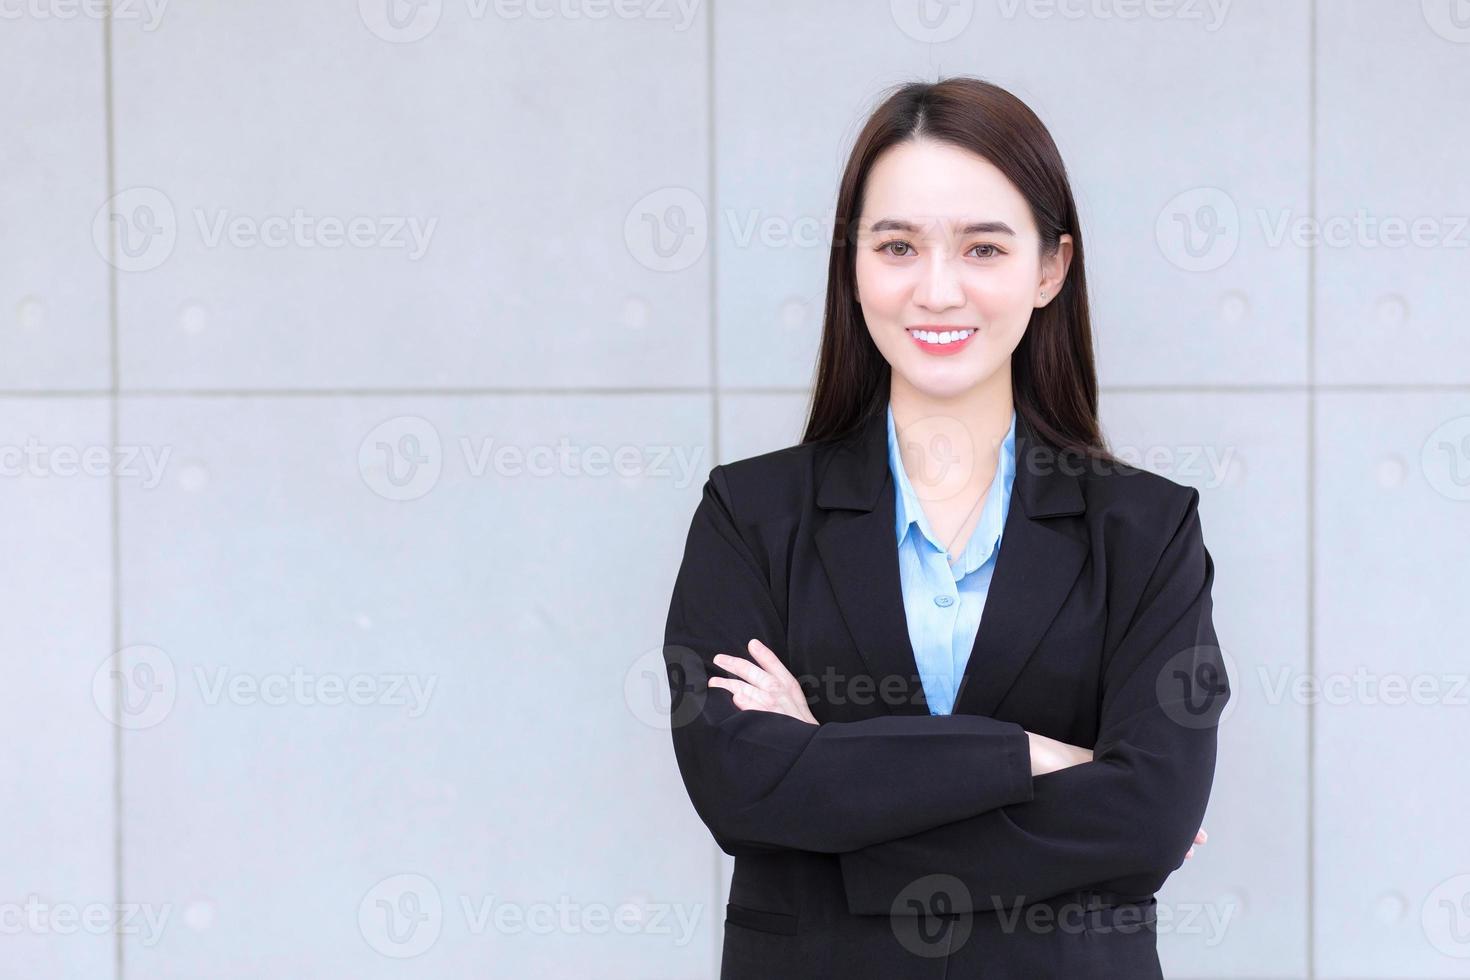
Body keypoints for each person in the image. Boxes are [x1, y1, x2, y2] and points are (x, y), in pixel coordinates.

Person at [662, 75, 1229, 979]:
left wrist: (832, 782)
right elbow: (741, 789)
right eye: (897, 245)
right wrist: (1033, 756)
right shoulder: (750, 517)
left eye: (983, 248)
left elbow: (1151, 815)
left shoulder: (1147, 530)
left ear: (1050, 268)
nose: (936, 289)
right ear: (853, 264)